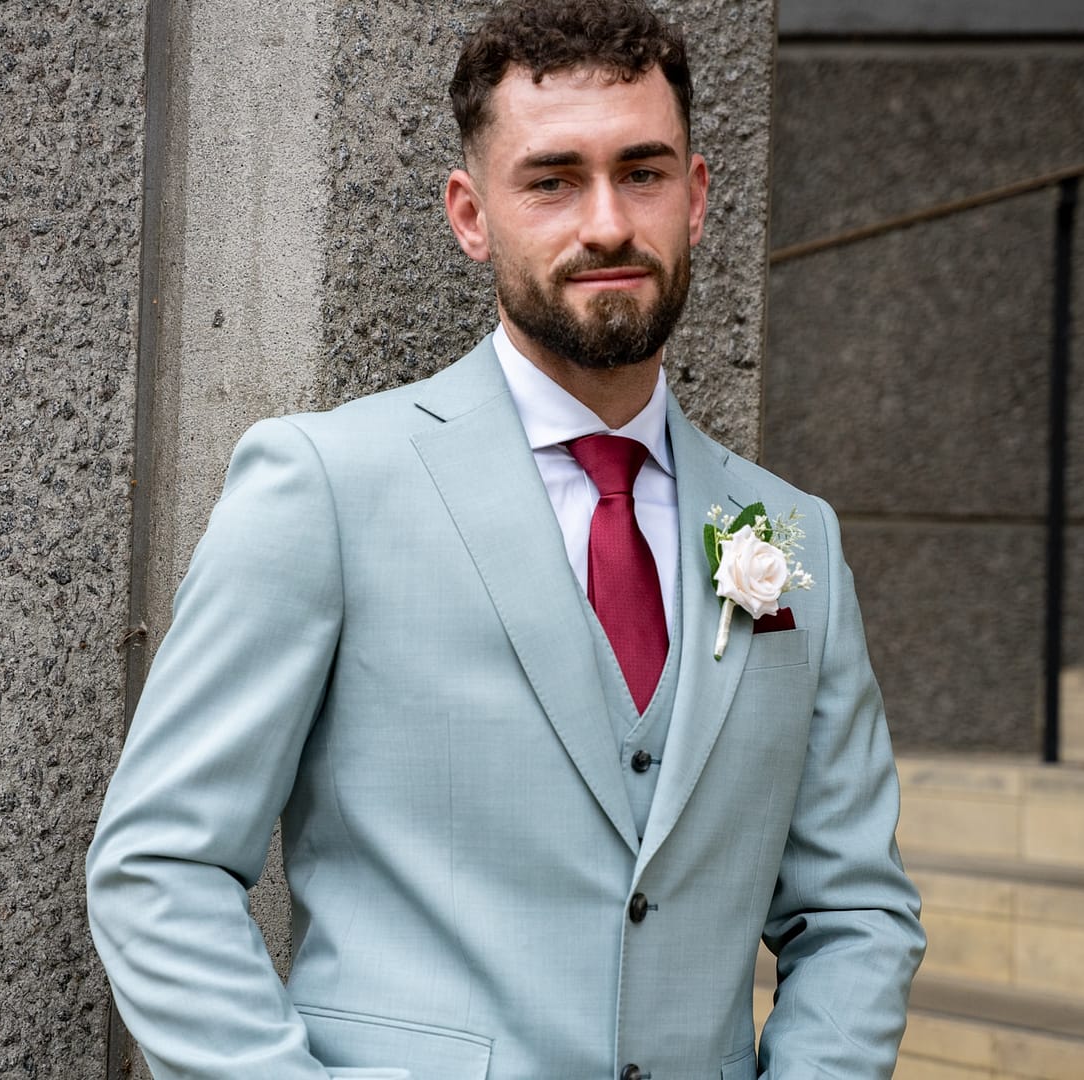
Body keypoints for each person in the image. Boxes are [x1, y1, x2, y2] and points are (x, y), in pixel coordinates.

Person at [86, 1, 924, 1077]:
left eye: (645, 172)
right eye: (553, 180)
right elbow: (158, 867)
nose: (609, 223)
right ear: (471, 214)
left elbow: (855, 909)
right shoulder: (328, 487)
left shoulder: (788, 535)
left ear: (700, 196)